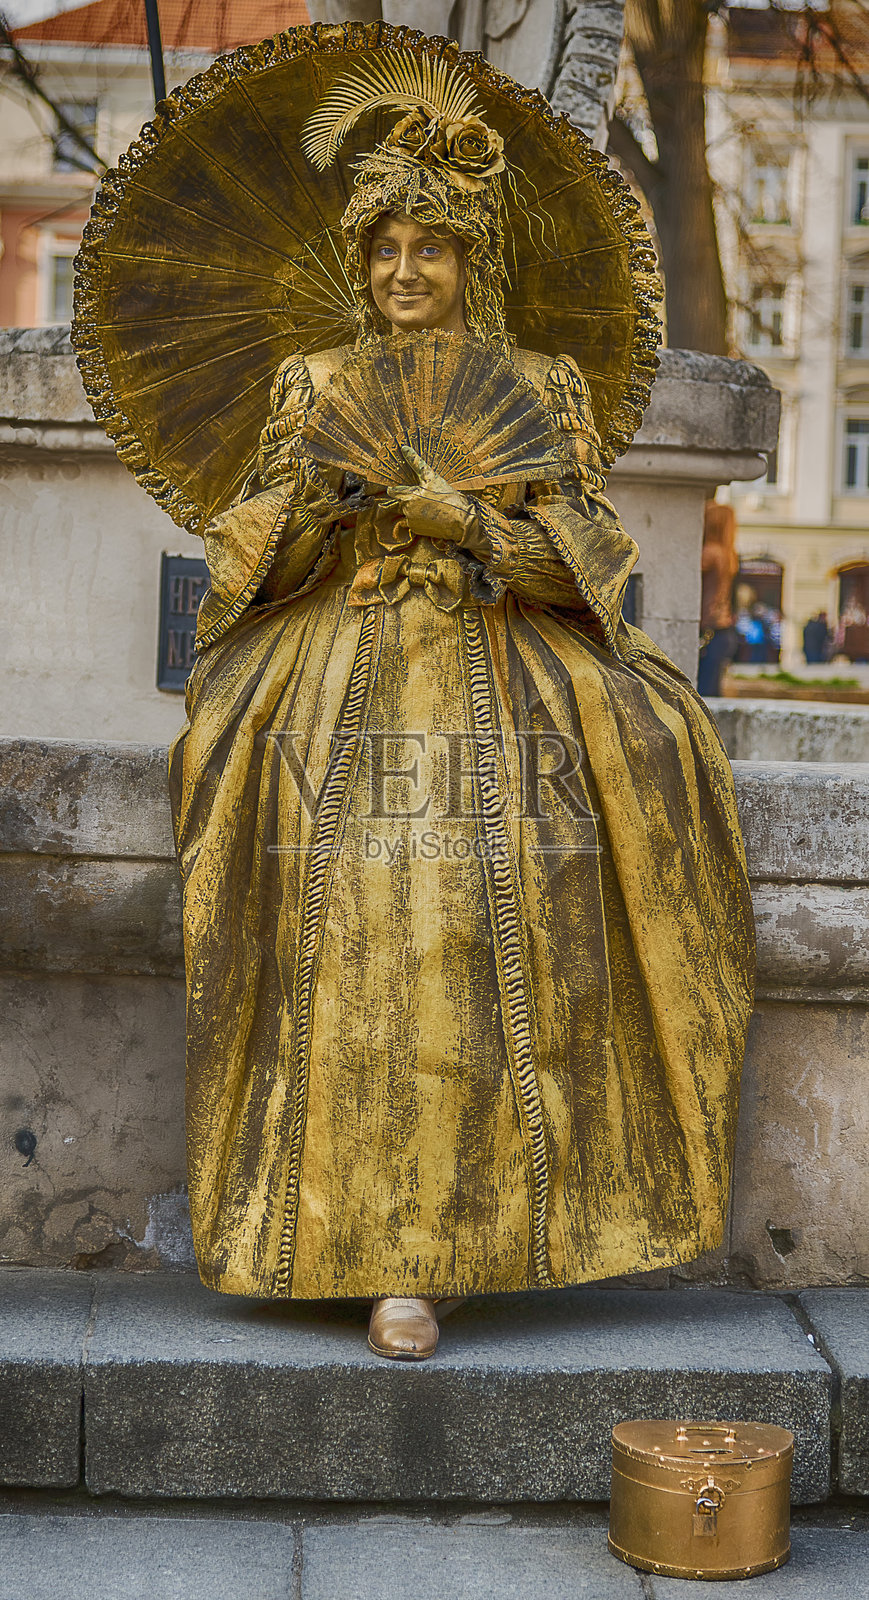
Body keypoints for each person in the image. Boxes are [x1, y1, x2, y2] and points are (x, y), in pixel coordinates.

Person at [91, 37, 755, 1360]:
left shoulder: (541, 390)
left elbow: (594, 574)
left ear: (473, 261)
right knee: (356, 928)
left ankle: (475, 1237)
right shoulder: (316, 384)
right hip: (339, 669)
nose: (404, 273)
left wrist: (461, 518)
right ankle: (366, 1239)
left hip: (506, 667)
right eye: (384, 247)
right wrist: (317, 507)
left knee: (477, 919)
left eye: (432, 249)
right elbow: (246, 567)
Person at [697, 501, 738, 697]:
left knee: (702, 696)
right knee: (712, 694)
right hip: (723, 632)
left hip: (710, 632)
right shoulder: (728, 554)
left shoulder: (710, 553)